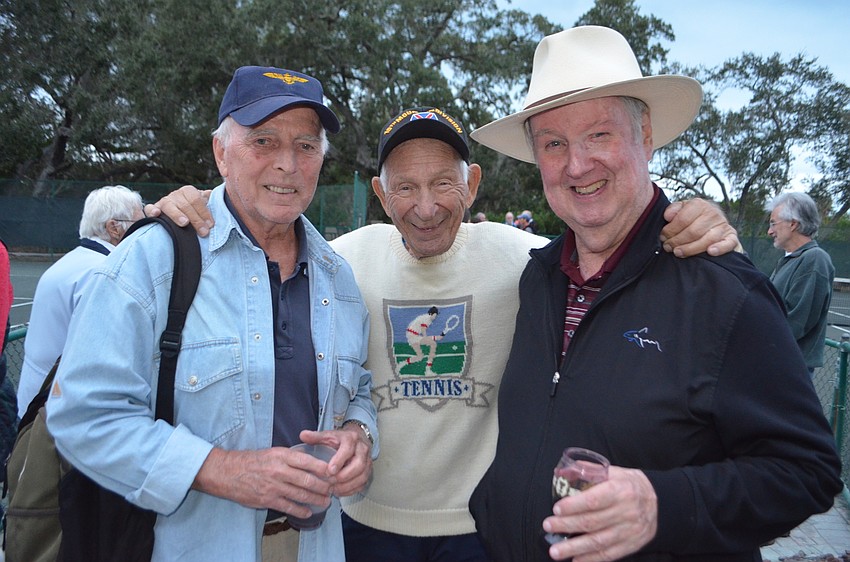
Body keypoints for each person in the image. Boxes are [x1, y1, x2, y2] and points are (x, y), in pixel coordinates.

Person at [150, 102, 741, 561]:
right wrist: (187, 204)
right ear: (380, 194)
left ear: (474, 184)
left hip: (479, 528)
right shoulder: (337, 263)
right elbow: (258, 239)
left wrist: (691, 219)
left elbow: (610, 245)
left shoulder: (527, 259)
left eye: (443, 183)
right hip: (365, 522)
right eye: (404, 186)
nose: (425, 206)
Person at [466, 26, 843, 562]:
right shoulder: (539, 276)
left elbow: (808, 472)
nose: (576, 164)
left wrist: (661, 505)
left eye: (599, 134)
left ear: (645, 136)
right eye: (553, 143)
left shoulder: (723, 290)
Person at [46, 66, 378, 562]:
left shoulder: (338, 276)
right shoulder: (155, 260)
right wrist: (220, 469)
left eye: (306, 146)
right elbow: (83, 415)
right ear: (221, 153)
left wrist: (359, 434)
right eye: (263, 141)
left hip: (317, 546)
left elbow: (361, 388)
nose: (288, 164)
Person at [15, 185, 145, 418]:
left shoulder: (73, 262)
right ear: (114, 227)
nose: (145, 228)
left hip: (38, 401)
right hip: (59, 410)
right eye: (139, 221)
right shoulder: (103, 273)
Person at [766, 192, 835, 374]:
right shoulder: (789, 260)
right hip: (776, 362)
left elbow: (796, 321)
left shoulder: (814, 259)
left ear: (793, 223)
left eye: (773, 223)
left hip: (790, 368)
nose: (770, 231)